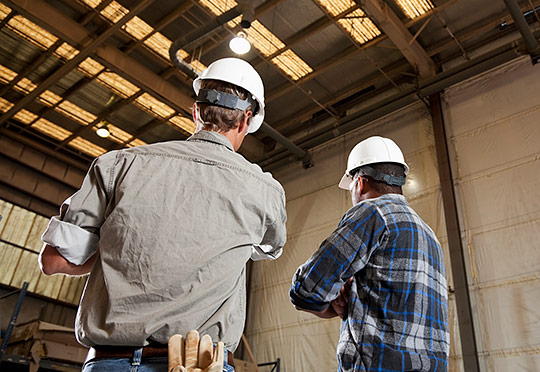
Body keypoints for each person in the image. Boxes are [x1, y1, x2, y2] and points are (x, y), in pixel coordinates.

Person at [38, 57, 286, 372]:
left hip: (110, 362)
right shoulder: (265, 190)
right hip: (199, 365)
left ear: (196, 111)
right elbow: (268, 248)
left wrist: (118, 247)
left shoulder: (118, 165)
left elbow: (53, 261)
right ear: (245, 121)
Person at [290, 136, 449, 371]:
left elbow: (306, 289)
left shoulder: (373, 213)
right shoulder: (430, 236)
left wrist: (334, 304)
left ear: (360, 183)